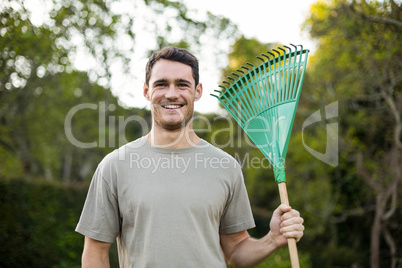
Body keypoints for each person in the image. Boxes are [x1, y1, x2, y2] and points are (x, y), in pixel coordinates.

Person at [75, 47, 304, 268]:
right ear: (147, 91)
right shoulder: (114, 167)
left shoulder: (226, 167)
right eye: (161, 84)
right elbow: (95, 253)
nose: (172, 93)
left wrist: (273, 239)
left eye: (182, 84)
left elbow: (235, 252)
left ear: (198, 91)